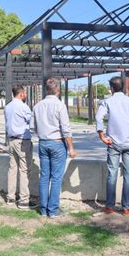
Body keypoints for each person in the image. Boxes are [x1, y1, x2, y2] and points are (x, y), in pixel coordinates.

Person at [95, 76, 129, 216]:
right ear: (123, 87)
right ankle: (127, 207)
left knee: (112, 174)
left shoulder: (107, 102)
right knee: (128, 175)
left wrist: (102, 136)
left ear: (111, 88)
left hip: (113, 143)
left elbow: (98, 117)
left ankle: (109, 206)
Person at [32, 77, 77, 218]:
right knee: (56, 178)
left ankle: (44, 209)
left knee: (44, 176)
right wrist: (71, 148)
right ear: (57, 90)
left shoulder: (37, 106)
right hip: (57, 143)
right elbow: (66, 129)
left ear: (47, 90)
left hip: (43, 143)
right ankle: (53, 210)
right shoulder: (60, 105)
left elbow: (32, 127)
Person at [4, 85, 35, 209]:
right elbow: (32, 123)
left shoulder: (7, 107)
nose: (26, 96)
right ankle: (23, 200)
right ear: (21, 94)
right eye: (25, 94)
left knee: (12, 169)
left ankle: (10, 198)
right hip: (23, 141)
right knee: (24, 170)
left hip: (11, 141)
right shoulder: (23, 107)